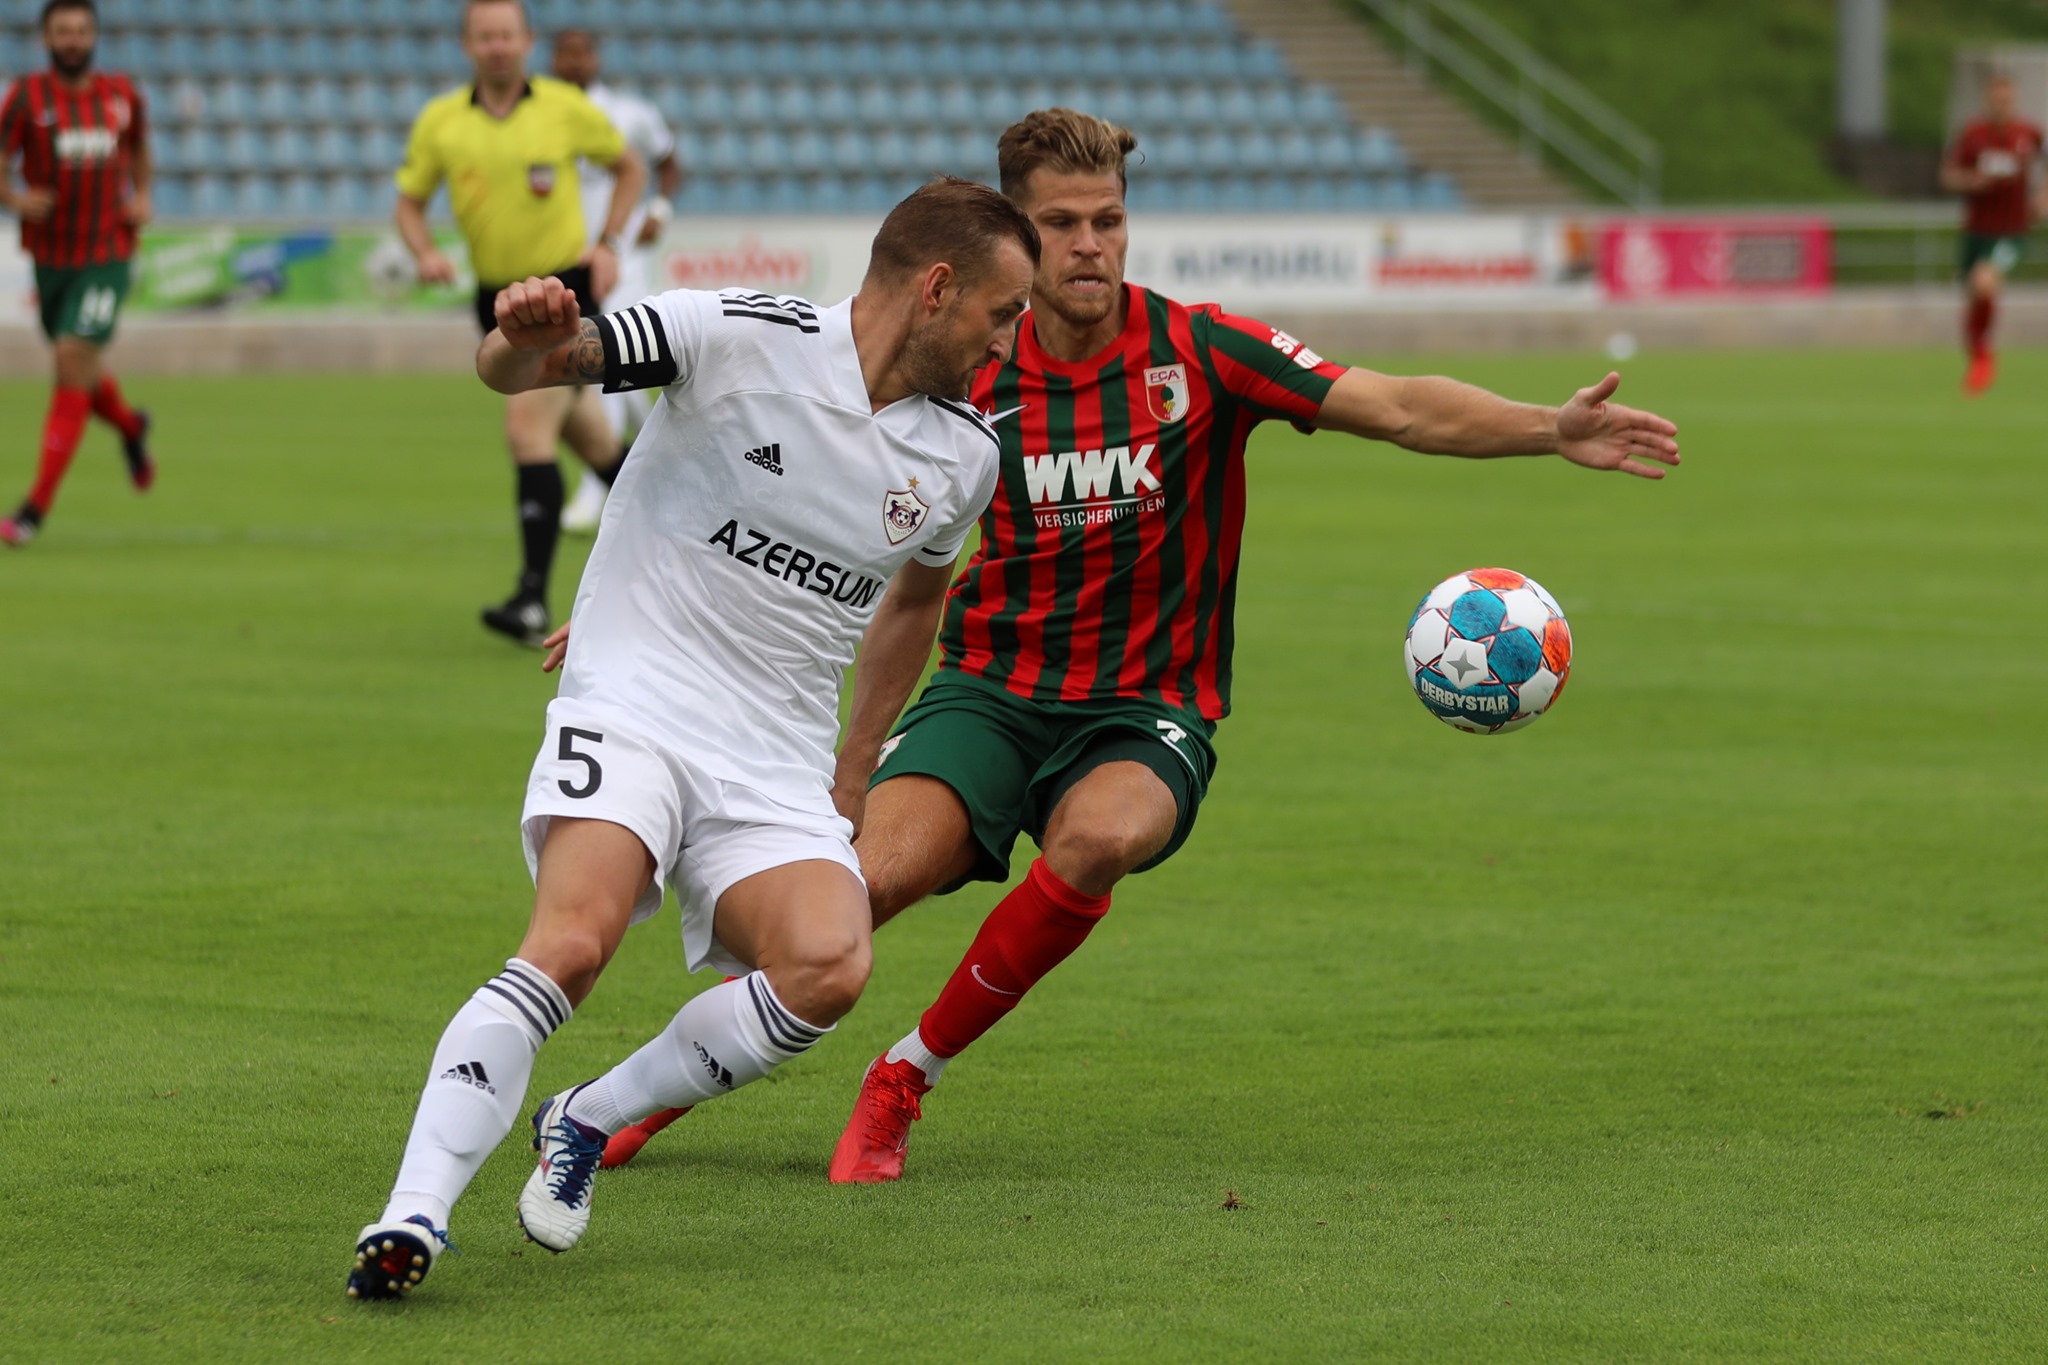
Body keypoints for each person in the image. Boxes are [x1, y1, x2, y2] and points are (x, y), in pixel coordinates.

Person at [598, 108, 1681, 1182]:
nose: (1089, 245)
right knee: (847, 900)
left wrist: (1549, 426)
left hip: (1143, 710)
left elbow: (1393, 405)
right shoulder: (966, 367)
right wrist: (663, 599)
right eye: (1061, 224)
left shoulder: (1200, 350)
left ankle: (903, 1078)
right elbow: (830, 513)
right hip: (984, 693)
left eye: (1107, 220)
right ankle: (634, 1105)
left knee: (1097, 839)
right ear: (1013, 241)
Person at [345, 177, 1038, 1300]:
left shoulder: (961, 454)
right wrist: (516, 338)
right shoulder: (728, 332)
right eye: (1002, 313)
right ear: (935, 288)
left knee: (829, 964)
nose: (1013, 340)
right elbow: (526, 369)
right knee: (571, 942)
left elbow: (915, 602)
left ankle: (584, 1119)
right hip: (638, 701)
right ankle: (412, 1214)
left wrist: (855, 765)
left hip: (771, 752)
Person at [393, 0, 645, 644]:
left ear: (526, 41)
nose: (498, 46)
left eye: (507, 34)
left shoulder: (563, 106)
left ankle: (532, 598)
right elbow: (410, 202)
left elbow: (630, 167)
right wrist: (423, 252)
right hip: (494, 298)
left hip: (562, 295)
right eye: (486, 36)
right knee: (593, 443)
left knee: (525, 427)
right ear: (467, 45)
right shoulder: (442, 122)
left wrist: (610, 242)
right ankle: (695, 526)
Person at [0, 0, 155, 550]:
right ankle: (133, 427)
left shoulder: (120, 95)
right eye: (62, 30)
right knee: (79, 365)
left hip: (107, 251)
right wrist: (14, 196)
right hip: (51, 258)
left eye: (81, 30)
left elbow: (139, 150)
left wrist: (143, 197)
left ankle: (33, 509)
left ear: (94, 36)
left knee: (71, 358)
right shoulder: (25, 98)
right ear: (45, 38)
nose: (72, 39)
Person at [548, 26, 685, 535]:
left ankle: (595, 485)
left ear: (595, 58)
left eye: (582, 53)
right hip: (563, 258)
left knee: (603, 359)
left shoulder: (631, 113)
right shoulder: (539, 115)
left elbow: (669, 164)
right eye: (565, 53)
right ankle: (655, 465)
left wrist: (660, 209)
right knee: (622, 377)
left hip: (620, 258)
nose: (574, 61)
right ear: (553, 59)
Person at [1940, 72, 2045, 396]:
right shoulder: (1973, 134)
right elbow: (1947, 175)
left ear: (2014, 100)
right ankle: (1977, 356)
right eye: (1996, 99)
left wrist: (2042, 196)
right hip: (1977, 231)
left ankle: (1985, 359)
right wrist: (1970, 181)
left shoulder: (2028, 133)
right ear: (1988, 100)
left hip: (2012, 231)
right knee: (1973, 298)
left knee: (1985, 282)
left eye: (2007, 99)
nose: (2002, 104)